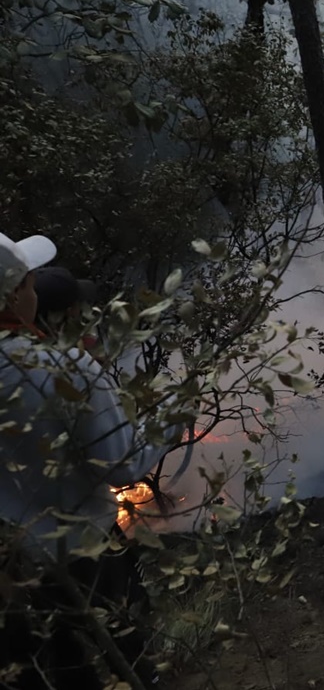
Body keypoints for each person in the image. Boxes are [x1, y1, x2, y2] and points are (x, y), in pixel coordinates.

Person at [0, 231, 165, 688]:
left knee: (51, 667)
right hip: (80, 548)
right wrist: (168, 425)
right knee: (129, 650)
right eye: (29, 283)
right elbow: (121, 466)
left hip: (13, 569)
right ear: (15, 295)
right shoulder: (62, 367)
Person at [34, 265, 99, 349]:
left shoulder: (19, 349)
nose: (81, 309)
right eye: (79, 303)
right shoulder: (80, 357)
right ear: (70, 311)